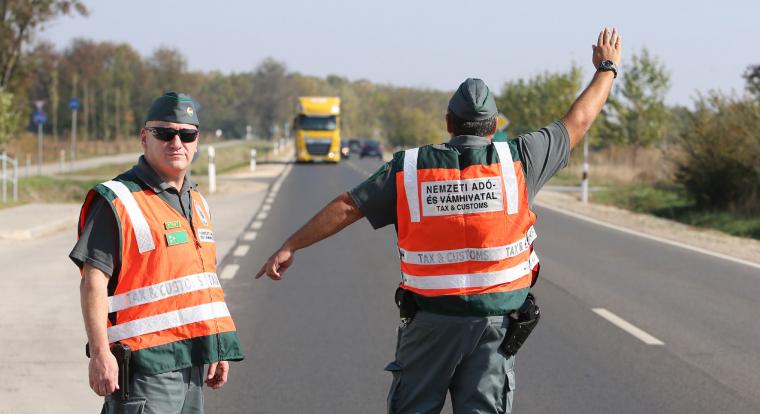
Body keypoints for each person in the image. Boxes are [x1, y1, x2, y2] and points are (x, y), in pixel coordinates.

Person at [257, 28, 621, 413]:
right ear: (494, 126)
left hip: (430, 323)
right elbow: (578, 120)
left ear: (449, 122)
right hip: (493, 326)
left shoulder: (411, 168)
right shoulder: (519, 159)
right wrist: (606, 68)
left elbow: (348, 207)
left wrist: (291, 245)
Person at [70, 92, 244, 413]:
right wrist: (99, 354)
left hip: (192, 362)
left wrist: (215, 343)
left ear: (196, 141)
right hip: (146, 369)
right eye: (165, 133)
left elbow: (201, 284)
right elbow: (92, 282)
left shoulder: (197, 202)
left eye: (187, 134)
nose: (176, 142)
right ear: (144, 138)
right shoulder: (118, 199)